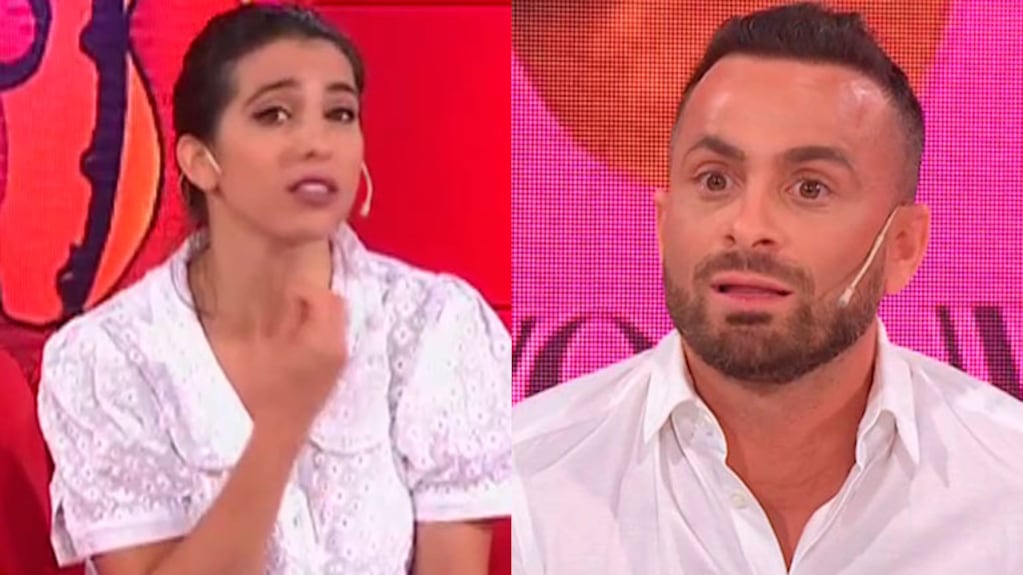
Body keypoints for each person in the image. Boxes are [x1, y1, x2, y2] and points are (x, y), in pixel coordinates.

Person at [511, 3, 1023, 574]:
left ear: (902, 247)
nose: (748, 226)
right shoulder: (526, 480)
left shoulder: (1009, 486)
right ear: (663, 224)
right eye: (715, 180)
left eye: (809, 188)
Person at [36, 5, 510, 575]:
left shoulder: (434, 325)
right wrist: (284, 420)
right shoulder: (107, 358)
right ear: (201, 161)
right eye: (275, 114)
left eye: (339, 113)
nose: (317, 142)